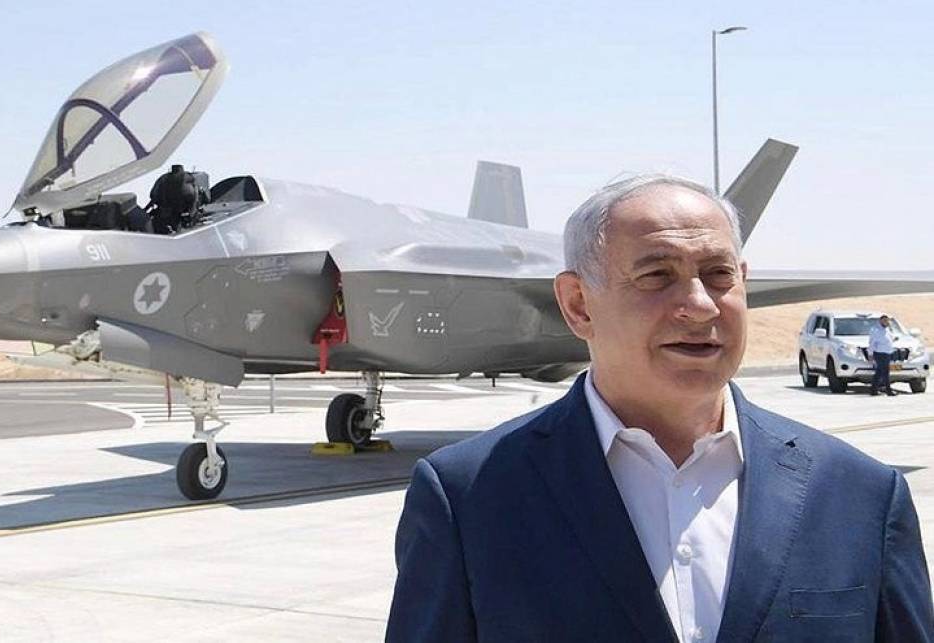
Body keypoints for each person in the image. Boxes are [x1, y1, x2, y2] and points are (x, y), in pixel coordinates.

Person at [386, 175, 932, 642]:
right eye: (657, 276)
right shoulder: (470, 499)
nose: (699, 305)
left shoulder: (860, 495)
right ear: (578, 305)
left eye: (719, 275)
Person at [869, 314, 898, 396]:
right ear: (880, 321)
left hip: (887, 354)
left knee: (879, 372)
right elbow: (872, 343)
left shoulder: (887, 330)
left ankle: (873, 390)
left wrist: (894, 338)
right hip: (880, 354)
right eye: (884, 320)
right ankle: (889, 391)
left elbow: (889, 339)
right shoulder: (876, 331)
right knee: (885, 372)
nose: (886, 322)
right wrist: (870, 354)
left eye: (887, 320)